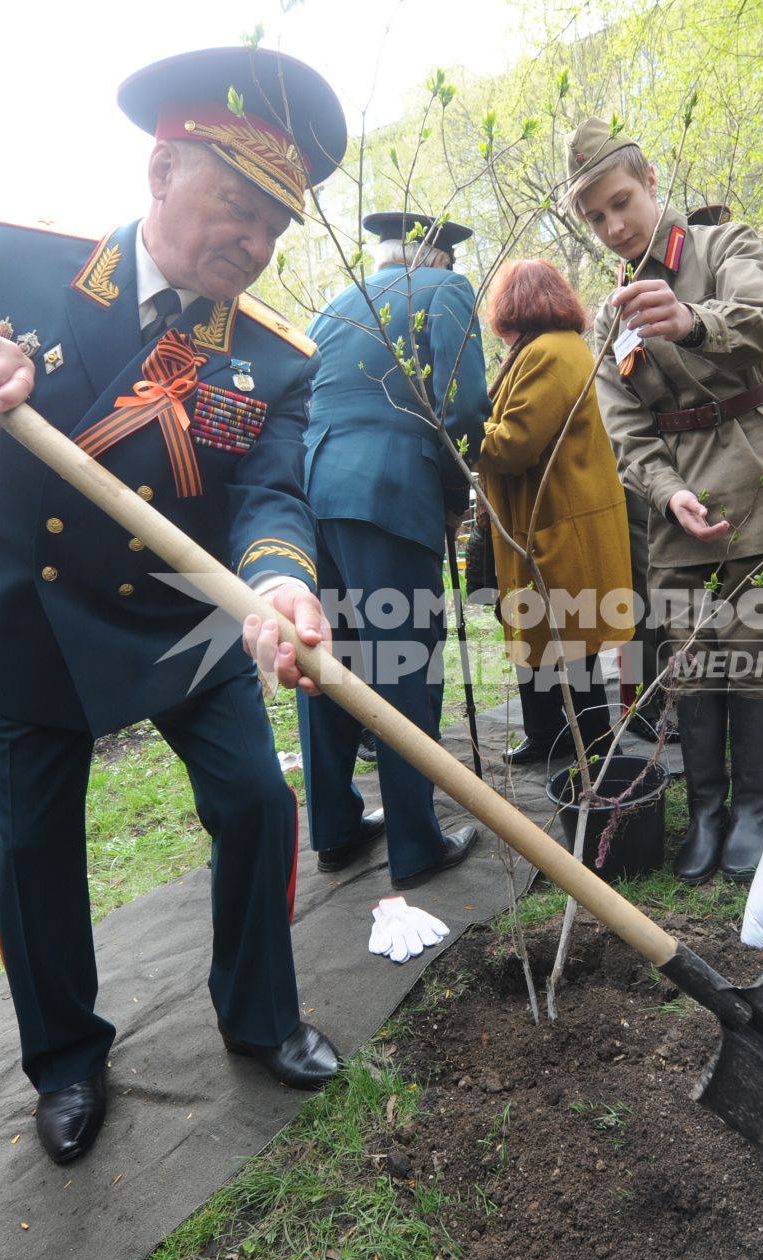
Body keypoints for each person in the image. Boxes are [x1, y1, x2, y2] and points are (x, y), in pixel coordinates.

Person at [0, 46, 350, 1166]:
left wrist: (279, 579)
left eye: (274, 225)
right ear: (161, 172)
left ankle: (261, 1012)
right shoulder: (16, 261)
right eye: (236, 204)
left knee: (256, 804)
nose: (252, 240)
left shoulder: (278, 358)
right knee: (37, 848)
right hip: (27, 614)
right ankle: (68, 1059)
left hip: (185, 619)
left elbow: (273, 496)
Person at [567, 117, 763, 884]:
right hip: (682, 498)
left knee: (754, 649)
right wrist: (668, 492)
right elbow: (625, 428)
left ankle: (753, 807)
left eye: (621, 202)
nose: (613, 226)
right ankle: (707, 810)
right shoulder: (610, 316)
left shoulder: (724, 247)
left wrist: (693, 322)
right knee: (690, 658)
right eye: (595, 217)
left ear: (651, 181)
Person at [297, 211, 488, 888]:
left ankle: (336, 831)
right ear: (438, 257)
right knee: (403, 662)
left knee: (325, 663)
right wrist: (453, 491)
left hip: (310, 495)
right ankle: (415, 845)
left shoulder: (332, 307)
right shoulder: (445, 290)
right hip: (388, 490)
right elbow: (462, 408)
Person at [476, 259, 634, 764]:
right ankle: (548, 735)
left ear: (513, 307)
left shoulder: (548, 352)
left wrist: (458, 433)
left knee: (571, 642)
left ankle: (592, 746)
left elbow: (513, 444)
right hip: (547, 520)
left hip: (558, 523)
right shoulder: (551, 347)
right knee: (544, 637)